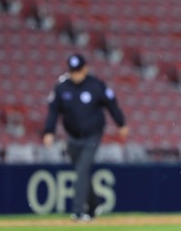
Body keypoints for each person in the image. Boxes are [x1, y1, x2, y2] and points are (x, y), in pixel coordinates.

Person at [43, 54, 129, 221]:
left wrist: (121, 124)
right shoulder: (61, 87)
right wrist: (49, 131)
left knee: (82, 170)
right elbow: (53, 112)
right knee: (81, 172)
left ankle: (78, 211)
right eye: (73, 71)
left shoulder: (95, 85)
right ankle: (94, 205)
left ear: (85, 69)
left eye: (78, 71)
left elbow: (111, 104)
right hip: (73, 137)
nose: (76, 75)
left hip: (92, 135)